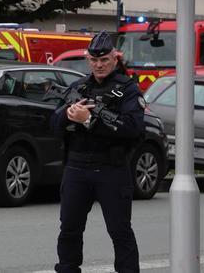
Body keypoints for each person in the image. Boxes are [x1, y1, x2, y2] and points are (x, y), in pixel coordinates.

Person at [51, 31, 144, 273]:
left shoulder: (128, 89)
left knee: (119, 231)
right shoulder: (78, 86)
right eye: (94, 60)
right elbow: (53, 124)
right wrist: (67, 115)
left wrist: (90, 120)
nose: (99, 65)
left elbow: (133, 128)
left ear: (114, 58)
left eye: (104, 60)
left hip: (111, 169)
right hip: (77, 167)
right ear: (88, 60)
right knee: (69, 229)